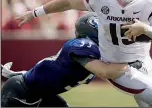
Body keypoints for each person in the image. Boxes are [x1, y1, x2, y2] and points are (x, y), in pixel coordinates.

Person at [15, 0, 152, 107]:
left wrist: (145, 28)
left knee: (151, 103)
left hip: (143, 61)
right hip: (115, 64)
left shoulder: (149, 0)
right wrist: (36, 12)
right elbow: (69, 2)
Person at [1, 13, 131, 107]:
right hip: (22, 92)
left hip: (42, 93)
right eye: (101, 28)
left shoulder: (94, 51)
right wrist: (130, 64)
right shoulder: (83, 45)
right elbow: (105, 72)